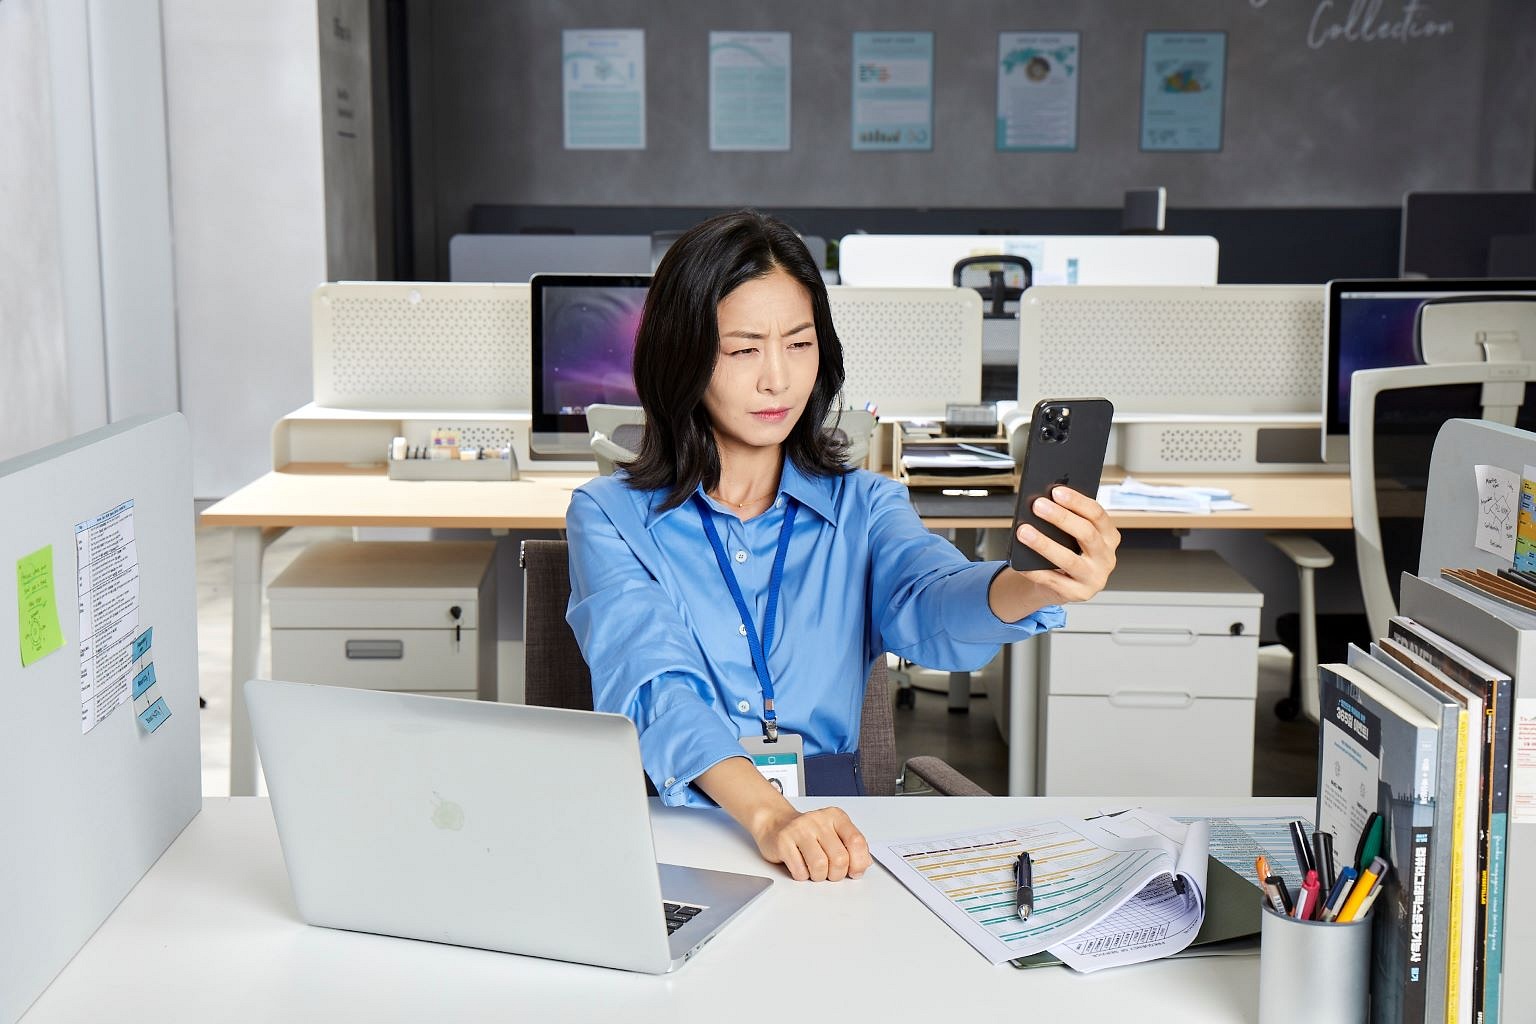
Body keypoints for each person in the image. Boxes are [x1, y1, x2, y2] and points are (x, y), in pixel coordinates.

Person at [566, 210, 1119, 883]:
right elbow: (656, 688)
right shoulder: (609, 515)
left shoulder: (866, 505)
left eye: (798, 344)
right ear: (683, 356)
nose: (778, 379)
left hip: (832, 831)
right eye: (744, 350)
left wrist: (1034, 581)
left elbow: (929, 602)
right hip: (675, 820)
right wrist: (768, 814)